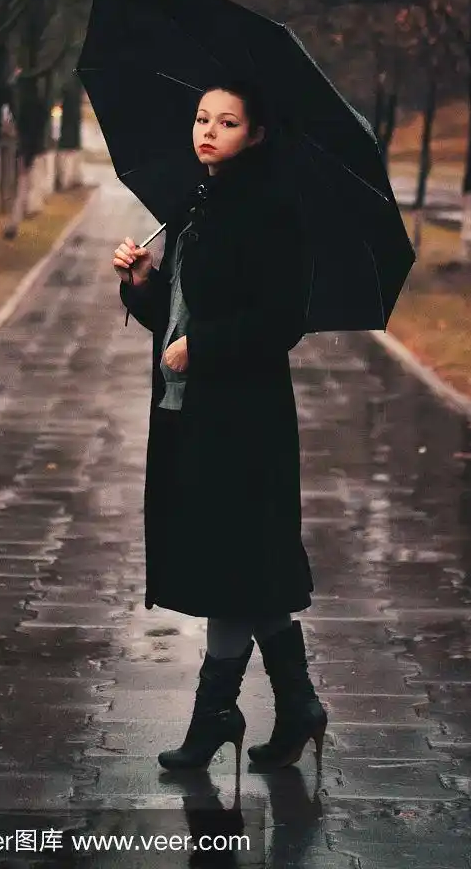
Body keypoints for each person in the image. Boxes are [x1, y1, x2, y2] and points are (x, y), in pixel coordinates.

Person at [112, 79, 327, 773]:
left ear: (256, 134)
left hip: (246, 422)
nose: (207, 130)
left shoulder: (273, 211)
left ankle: (215, 719)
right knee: (243, 568)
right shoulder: (195, 204)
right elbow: (175, 318)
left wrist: (202, 345)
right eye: (202, 118)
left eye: (227, 122)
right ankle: (296, 707)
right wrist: (143, 283)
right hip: (193, 413)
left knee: (235, 568)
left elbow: (281, 321)